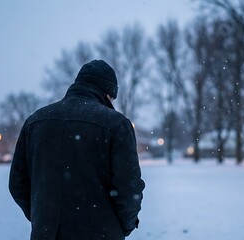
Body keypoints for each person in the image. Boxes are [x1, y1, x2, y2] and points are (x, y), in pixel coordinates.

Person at [9, 60, 145, 240]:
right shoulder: (116, 125)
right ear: (107, 93)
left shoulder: (35, 122)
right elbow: (129, 189)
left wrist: (43, 219)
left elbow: (17, 184)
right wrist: (122, 226)